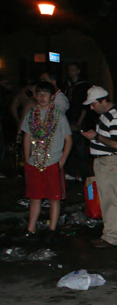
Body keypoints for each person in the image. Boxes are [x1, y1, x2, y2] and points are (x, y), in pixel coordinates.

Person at [15, 81, 72, 242]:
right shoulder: (32, 113)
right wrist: (27, 159)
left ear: (52, 97)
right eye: (39, 94)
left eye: (45, 94)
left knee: (54, 197)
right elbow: (27, 136)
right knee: (35, 197)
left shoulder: (59, 116)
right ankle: (31, 229)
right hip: (34, 162)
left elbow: (69, 139)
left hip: (53, 161)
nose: (42, 97)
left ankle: (52, 229)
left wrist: (62, 161)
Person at [81, 86, 117, 248]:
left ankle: (113, 237)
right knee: (106, 199)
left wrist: (96, 136)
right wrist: (94, 138)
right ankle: (108, 234)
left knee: (110, 200)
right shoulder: (106, 116)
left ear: (103, 101)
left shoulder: (115, 117)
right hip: (104, 161)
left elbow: (116, 144)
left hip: (110, 161)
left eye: (93, 104)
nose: (91, 108)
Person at [64, 63, 90, 181]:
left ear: (78, 71)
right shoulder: (67, 85)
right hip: (68, 119)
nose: (71, 72)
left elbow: (85, 105)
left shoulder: (83, 86)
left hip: (78, 119)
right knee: (68, 145)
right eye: (69, 70)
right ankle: (71, 172)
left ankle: (84, 174)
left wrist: (80, 121)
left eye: (73, 70)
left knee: (80, 148)